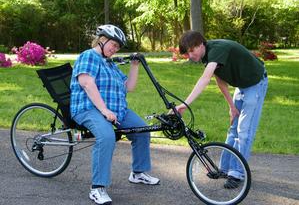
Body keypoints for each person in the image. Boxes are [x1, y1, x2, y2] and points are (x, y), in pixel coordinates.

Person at [70, 24, 159, 205]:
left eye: (118, 47)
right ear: (102, 40)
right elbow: (87, 83)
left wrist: (135, 65)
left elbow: (129, 87)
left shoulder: (109, 63)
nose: (115, 49)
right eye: (114, 45)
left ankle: (138, 173)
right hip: (89, 108)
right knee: (107, 136)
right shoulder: (89, 56)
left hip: (116, 110)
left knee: (142, 129)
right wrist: (104, 110)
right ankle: (97, 188)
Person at [176, 31, 268, 189]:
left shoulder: (217, 50)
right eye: (187, 53)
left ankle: (237, 173)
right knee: (233, 129)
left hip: (255, 84)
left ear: (201, 44)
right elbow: (220, 81)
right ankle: (224, 169)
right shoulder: (208, 57)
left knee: (244, 132)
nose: (190, 56)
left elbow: (205, 79)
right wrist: (231, 106)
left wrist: (185, 104)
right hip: (242, 86)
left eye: (192, 51)